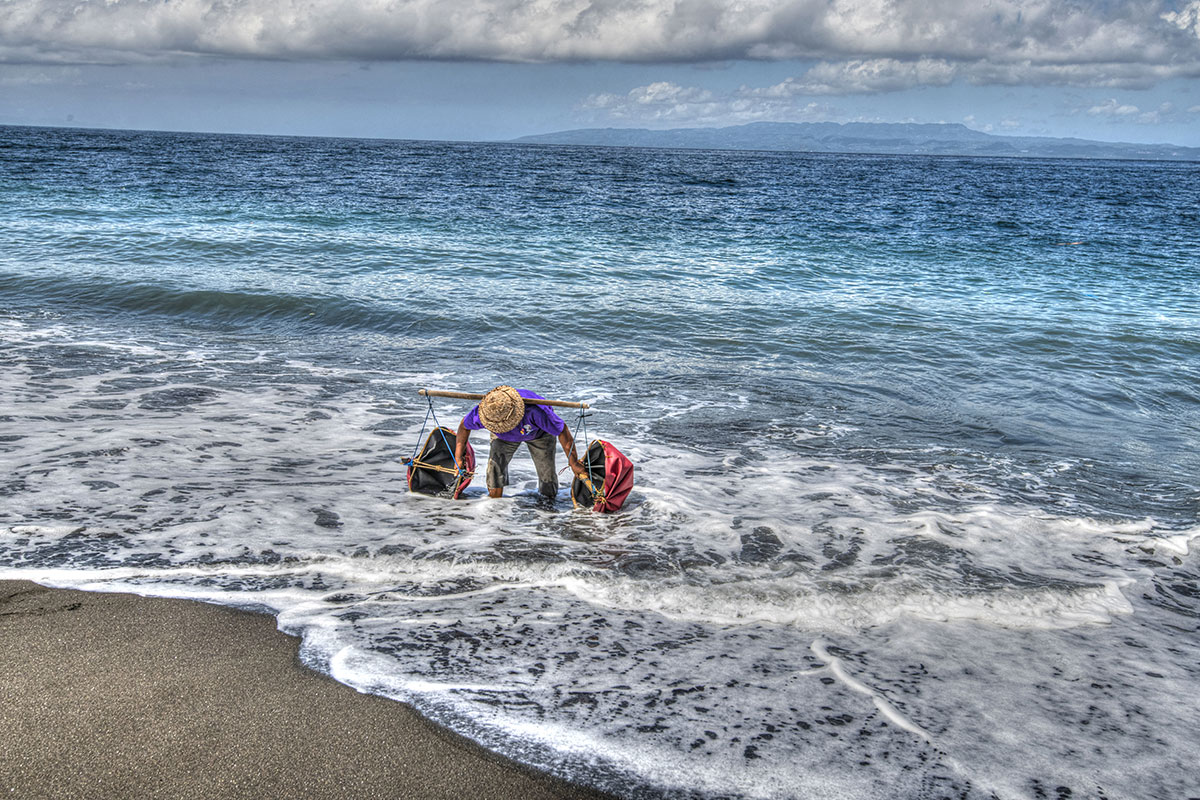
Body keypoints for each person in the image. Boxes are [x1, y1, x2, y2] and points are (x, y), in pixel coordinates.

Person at [454, 385, 585, 500]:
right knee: (494, 468)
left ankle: (548, 505)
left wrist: (573, 462)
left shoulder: (536, 412)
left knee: (547, 473)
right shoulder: (487, 411)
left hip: (540, 434)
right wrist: (458, 457)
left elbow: (563, 431)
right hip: (503, 438)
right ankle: (494, 504)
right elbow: (464, 427)